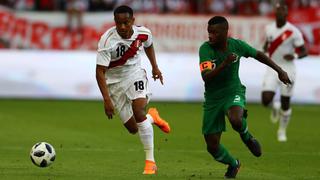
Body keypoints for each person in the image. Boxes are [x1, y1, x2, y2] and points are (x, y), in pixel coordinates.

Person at [199, 16, 291, 178]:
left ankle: (247, 137)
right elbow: (206, 77)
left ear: (225, 32)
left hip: (233, 91)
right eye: (209, 32)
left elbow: (258, 54)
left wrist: (279, 70)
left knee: (235, 119)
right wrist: (224, 64)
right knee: (212, 147)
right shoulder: (205, 49)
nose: (210, 36)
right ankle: (234, 164)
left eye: (214, 32)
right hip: (212, 99)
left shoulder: (237, 45)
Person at [95, 5, 170, 175]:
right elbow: (100, 71)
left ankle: (150, 162)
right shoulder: (107, 40)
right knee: (134, 128)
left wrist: (155, 67)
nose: (122, 27)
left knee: (138, 110)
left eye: (126, 23)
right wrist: (107, 99)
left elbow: (149, 45)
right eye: (119, 23)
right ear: (115, 22)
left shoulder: (143, 33)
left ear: (132, 21)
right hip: (114, 83)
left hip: (134, 74)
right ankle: (153, 118)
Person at [261, 1, 307, 142]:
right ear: (275, 13)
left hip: (288, 69)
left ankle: (282, 130)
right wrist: (261, 51)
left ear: (287, 14)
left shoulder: (293, 31)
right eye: (278, 11)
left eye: (283, 11)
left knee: (285, 102)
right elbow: (266, 45)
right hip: (273, 67)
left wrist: (294, 56)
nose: (280, 13)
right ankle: (275, 106)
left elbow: (304, 51)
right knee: (265, 100)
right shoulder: (268, 28)